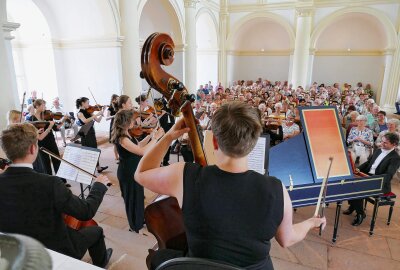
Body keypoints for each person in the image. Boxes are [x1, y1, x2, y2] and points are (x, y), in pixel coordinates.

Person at [135, 102, 326, 270]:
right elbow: (287, 239)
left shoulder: (185, 176)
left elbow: (141, 173)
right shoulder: (277, 190)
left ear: (215, 141)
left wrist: (169, 136)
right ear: (252, 145)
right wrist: (310, 222)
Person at [0, 123, 113, 268]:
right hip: (56, 249)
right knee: (96, 231)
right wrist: (99, 186)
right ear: (33, 148)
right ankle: (100, 264)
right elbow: (85, 212)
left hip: (16, 248)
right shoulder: (50, 183)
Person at [111, 109, 164, 232]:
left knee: (138, 196)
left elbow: (138, 145)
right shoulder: (122, 138)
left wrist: (151, 136)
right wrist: (156, 138)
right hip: (127, 172)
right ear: (126, 122)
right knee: (132, 198)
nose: (134, 121)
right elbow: (142, 151)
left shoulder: (127, 134)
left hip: (134, 170)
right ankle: (135, 225)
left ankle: (140, 219)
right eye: (132, 120)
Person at [344, 133, 400, 226]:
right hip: (368, 175)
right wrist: (358, 169)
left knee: (358, 189)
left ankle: (360, 214)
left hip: (380, 182)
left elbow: (388, 175)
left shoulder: (395, 158)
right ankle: (353, 206)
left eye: (385, 143)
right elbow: (368, 162)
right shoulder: (378, 150)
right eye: (382, 141)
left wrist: (372, 180)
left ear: (394, 144)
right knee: (350, 183)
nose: (382, 143)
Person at [27, 99, 61, 176]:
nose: (45, 107)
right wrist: (49, 127)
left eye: (45, 105)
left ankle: (61, 181)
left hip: (51, 140)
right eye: (43, 105)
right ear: (37, 106)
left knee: (57, 159)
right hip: (41, 142)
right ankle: (49, 180)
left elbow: (56, 128)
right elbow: (39, 137)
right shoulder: (31, 119)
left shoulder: (48, 115)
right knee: (45, 163)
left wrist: (63, 120)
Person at [76, 97, 108, 173]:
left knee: (95, 150)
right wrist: (96, 114)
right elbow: (85, 121)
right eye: (87, 103)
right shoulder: (80, 113)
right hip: (85, 133)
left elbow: (98, 120)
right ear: (83, 103)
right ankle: (89, 169)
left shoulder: (90, 111)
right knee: (89, 151)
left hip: (91, 132)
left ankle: (98, 168)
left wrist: (102, 111)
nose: (89, 104)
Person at [106, 94, 119, 162]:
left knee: (120, 142)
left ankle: (120, 156)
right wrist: (114, 115)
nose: (118, 100)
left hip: (119, 125)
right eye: (117, 99)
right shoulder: (110, 108)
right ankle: (116, 157)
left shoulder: (118, 107)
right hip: (113, 125)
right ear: (113, 100)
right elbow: (107, 118)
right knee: (115, 143)